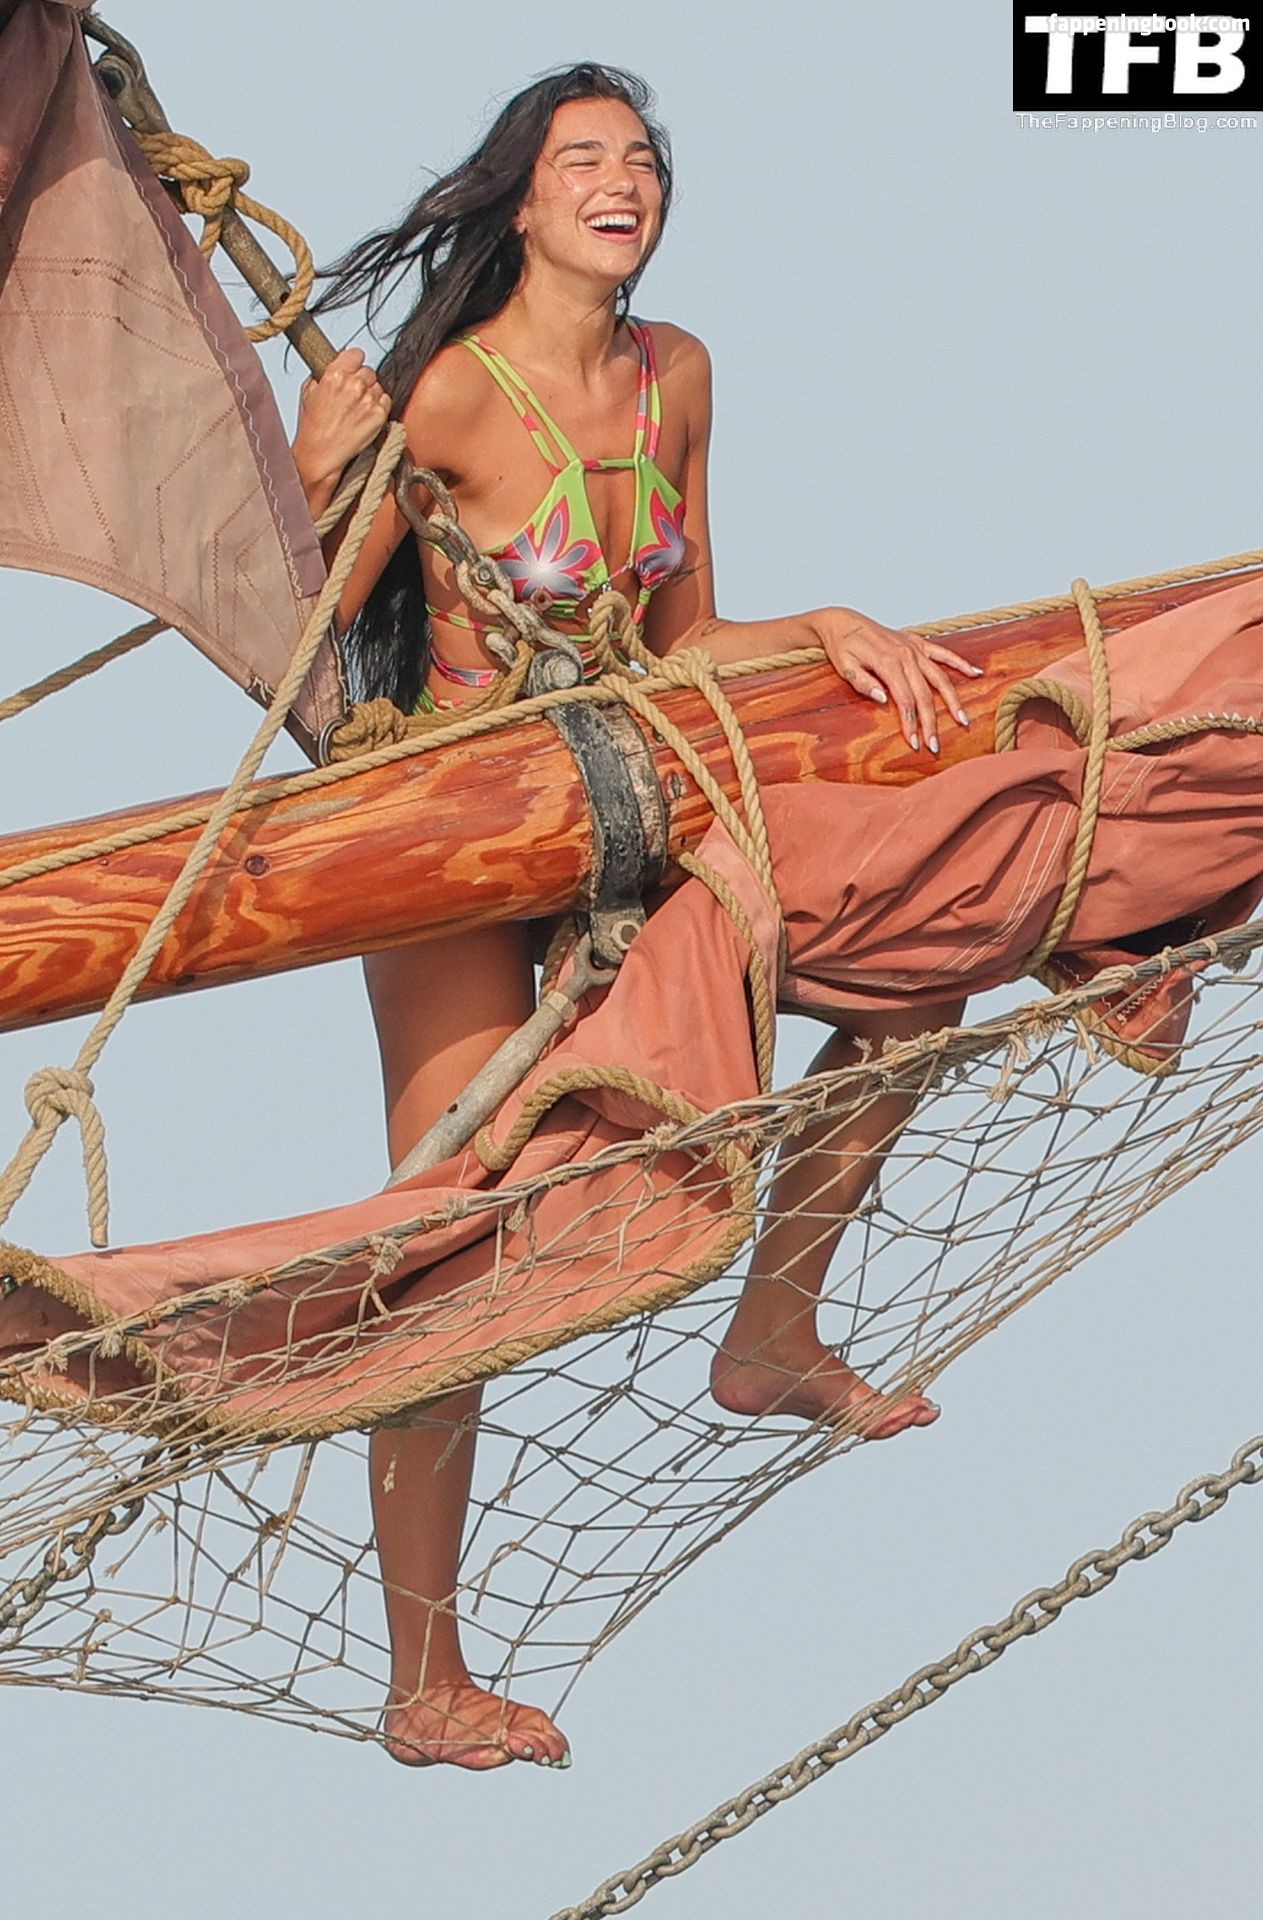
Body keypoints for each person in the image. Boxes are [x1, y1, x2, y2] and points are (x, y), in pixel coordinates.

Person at [290, 64, 977, 1771]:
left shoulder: (679, 375)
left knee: (916, 974)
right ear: (520, 200)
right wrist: (315, 478)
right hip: (459, 831)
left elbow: (680, 644)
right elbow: (302, 648)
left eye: (641, 159)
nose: (622, 180)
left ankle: (776, 1327)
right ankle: (425, 1679)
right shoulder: (450, 392)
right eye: (583, 158)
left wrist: (826, 627)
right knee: (449, 1242)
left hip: (628, 800)